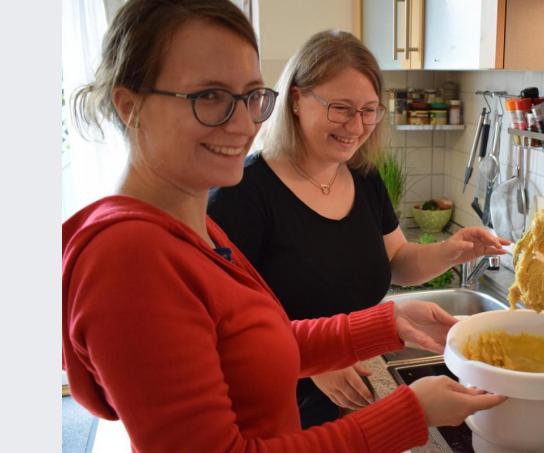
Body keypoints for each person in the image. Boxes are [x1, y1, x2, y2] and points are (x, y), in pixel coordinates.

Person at [62, 1, 506, 452]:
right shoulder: (130, 259)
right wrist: (410, 412)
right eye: (209, 96)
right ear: (129, 106)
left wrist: (387, 321)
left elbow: (252, 346)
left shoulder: (193, 229)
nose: (242, 123)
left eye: (250, 96)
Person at [207, 29, 511, 428]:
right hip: (278, 404)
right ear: (297, 100)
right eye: (341, 108)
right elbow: (224, 331)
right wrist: (308, 361)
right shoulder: (241, 193)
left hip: (359, 386)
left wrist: (456, 250)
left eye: (369, 110)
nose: (357, 125)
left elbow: (399, 262)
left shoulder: (363, 177)